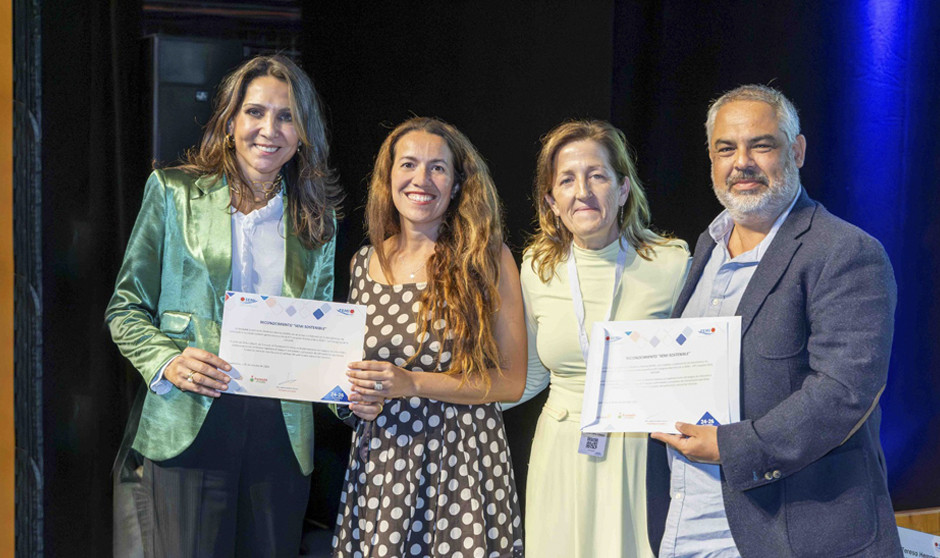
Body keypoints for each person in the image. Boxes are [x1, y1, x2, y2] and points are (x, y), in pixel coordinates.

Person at [646, 84, 902, 557]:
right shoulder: (705, 248)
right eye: (726, 148)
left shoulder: (846, 252)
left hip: (798, 535)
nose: (741, 161)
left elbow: (843, 393)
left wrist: (732, 447)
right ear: (711, 158)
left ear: (797, 150)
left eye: (761, 145)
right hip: (690, 524)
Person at [106, 54, 341, 557]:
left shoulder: (317, 221)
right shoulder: (173, 192)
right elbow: (124, 309)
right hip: (191, 426)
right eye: (255, 112)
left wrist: (349, 388)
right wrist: (168, 359)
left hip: (280, 434)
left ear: (303, 133)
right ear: (231, 120)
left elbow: (319, 333)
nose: (269, 129)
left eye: (286, 116)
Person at [331, 117, 526, 557]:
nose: (422, 179)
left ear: (457, 184)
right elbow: (347, 373)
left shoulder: (490, 260)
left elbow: (510, 381)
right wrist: (353, 400)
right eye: (409, 165)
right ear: (389, 177)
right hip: (382, 463)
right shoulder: (364, 262)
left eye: (438, 168)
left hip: (463, 466)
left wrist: (413, 383)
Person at [503, 120, 690, 558]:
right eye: (566, 180)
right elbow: (529, 376)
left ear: (623, 188)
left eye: (597, 176)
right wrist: (447, 401)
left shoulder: (672, 263)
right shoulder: (535, 267)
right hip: (561, 450)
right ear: (550, 200)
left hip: (639, 455)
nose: (581, 191)